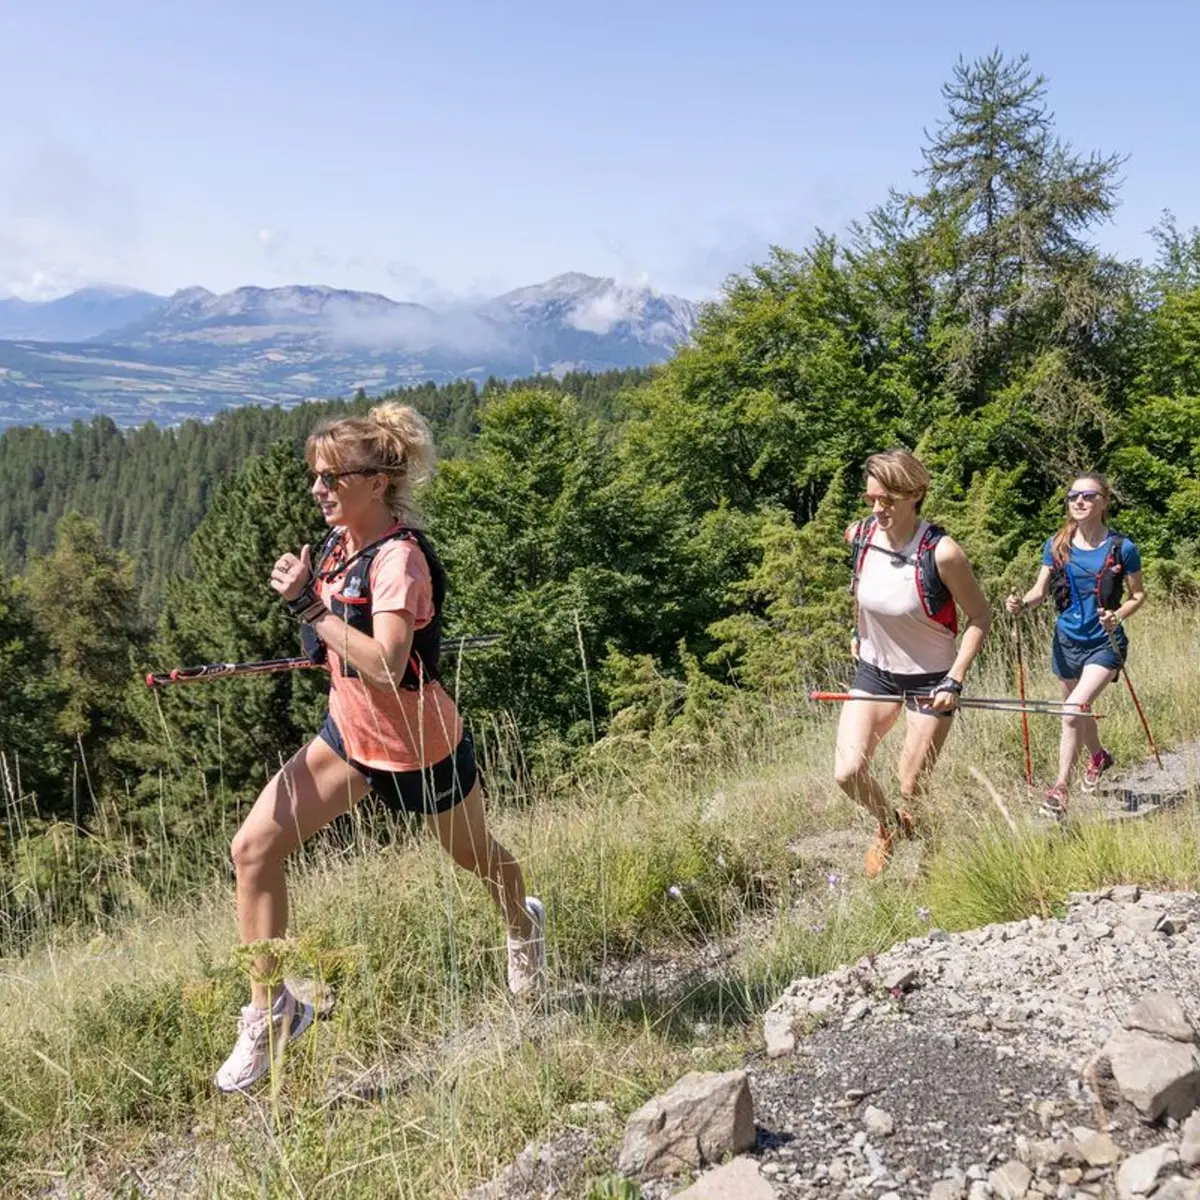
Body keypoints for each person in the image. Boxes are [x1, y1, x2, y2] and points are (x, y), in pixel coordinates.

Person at [215, 402, 545, 1093]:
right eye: (315, 477)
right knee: (253, 849)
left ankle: (523, 922)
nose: (317, 490)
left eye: (331, 478)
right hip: (350, 738)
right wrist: (311, 610)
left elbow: (390, 663)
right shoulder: (339, 548)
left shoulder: (400, 561)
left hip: (419, 746)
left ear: (375, 481)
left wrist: (310, 608)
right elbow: (337, 646)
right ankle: (272, 1006)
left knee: (476, 858)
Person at [835, 449, 991, 877]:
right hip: (875, 672)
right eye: (871, 499)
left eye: (888, 499)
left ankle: (933, 863)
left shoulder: (942, 553)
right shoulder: (860, 537)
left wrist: (955, 680)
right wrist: (856, 631)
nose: (878, 509)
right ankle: (888, 826)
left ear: (915, 493)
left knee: (910, 785)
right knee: (848, 772)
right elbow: (860, 592)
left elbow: (980, 616)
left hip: (931, 679)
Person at [1005, 473, 1145, 816]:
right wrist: (1021, 604)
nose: (1078, 501)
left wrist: (1119, 615)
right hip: (1066, 640)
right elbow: (1039, 591)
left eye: (1087, 496)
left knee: (1070, 711)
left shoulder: (1122, 547)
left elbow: (1137, 594)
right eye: (1072, 497)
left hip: (1105, 642)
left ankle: (1059, 790)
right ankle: (1099, 757)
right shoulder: (1057, 544)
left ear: (1104, 502)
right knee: (1077, 710)